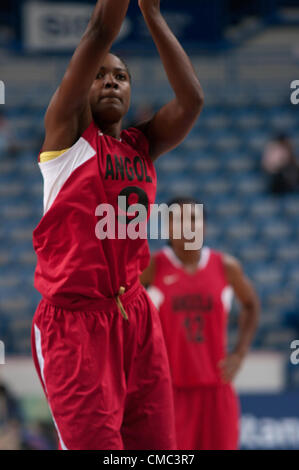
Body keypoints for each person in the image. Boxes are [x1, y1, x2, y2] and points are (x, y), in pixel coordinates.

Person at [31, 0, 204, 450]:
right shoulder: (66, 139)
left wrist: (153, 14)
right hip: (74, 323)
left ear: (130, 91)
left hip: (136, 317)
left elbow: (192, 101)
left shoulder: (142, 145)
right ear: (79, 90)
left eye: (121, 76)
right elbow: (99, 30)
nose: (110, 80)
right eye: (100, 75)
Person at [140, 197, 259, 450]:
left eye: (194, 219)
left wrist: (239, 353)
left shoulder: (225, 267)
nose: (188, 226)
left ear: (204, 225)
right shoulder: (152, 267)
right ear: (167, 228)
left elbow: (251, 305)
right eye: (179, 219)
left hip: (217, 390)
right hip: (171, 392)